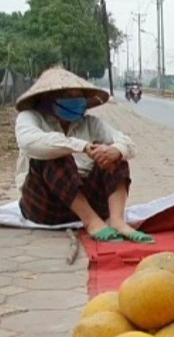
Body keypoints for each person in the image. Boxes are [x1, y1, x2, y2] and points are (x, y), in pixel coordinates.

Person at [14, 67, 153, 243]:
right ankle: (92, 222)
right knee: (56, 153)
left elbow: (128, 144)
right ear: (50, 99)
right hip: (45, 204)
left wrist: (115, 151)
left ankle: (117, 221)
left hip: (89, 199)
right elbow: (29, 142)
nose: (76, 101)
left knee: (114, 155)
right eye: (69, 96)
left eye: (79, 96)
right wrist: (81, 146)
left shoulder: (90, 124)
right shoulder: (30, 117)